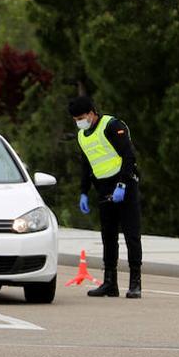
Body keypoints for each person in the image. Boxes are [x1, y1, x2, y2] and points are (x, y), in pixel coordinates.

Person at [70, 95, 142, 299]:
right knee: (108, 237)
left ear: (92, 112)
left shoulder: (112, 125)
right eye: (75, 120)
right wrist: (84, 191)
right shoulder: (82, 136)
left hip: (124, 185)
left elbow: (129, 156)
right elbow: (87, 165)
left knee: (131, 235)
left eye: (81, 117)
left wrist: (122, 184)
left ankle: (135, 282)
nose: (79, 122)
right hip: (104, 188)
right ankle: (110, 283)